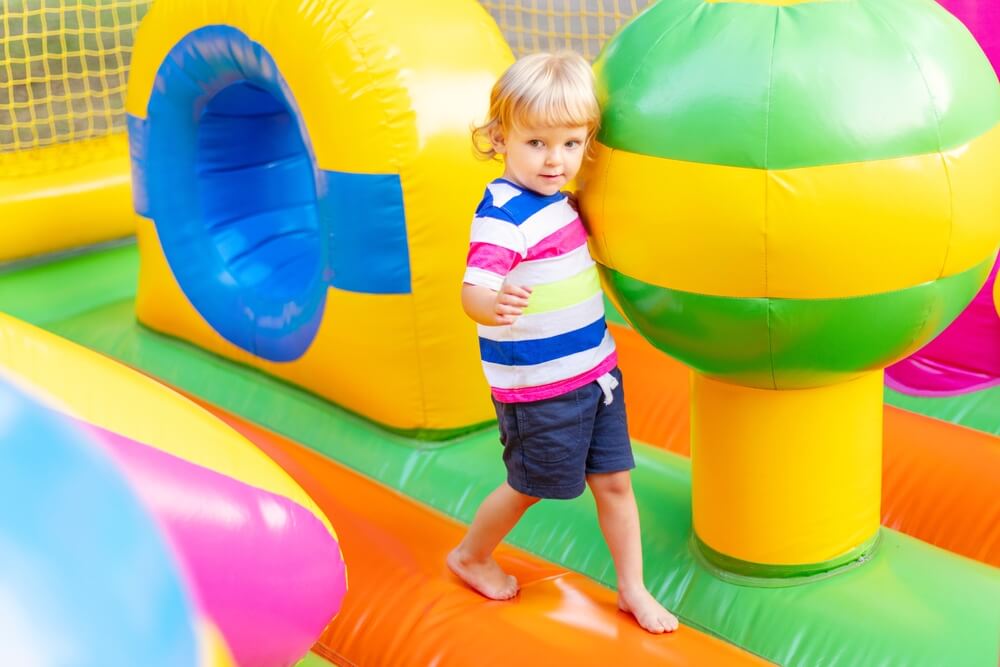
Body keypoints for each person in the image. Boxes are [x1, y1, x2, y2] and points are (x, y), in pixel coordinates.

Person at [446, 51, 678, 635]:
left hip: (596, 373)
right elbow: (475, 287)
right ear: (500, 138)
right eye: (538, 143)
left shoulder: (558, 201)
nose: (556, 160)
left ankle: (632, 589)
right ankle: (470, 556)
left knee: (615, 482)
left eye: (572, 144)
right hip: (539, 386)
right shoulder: (503, 215)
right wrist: (489, 304)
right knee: (530, 486)